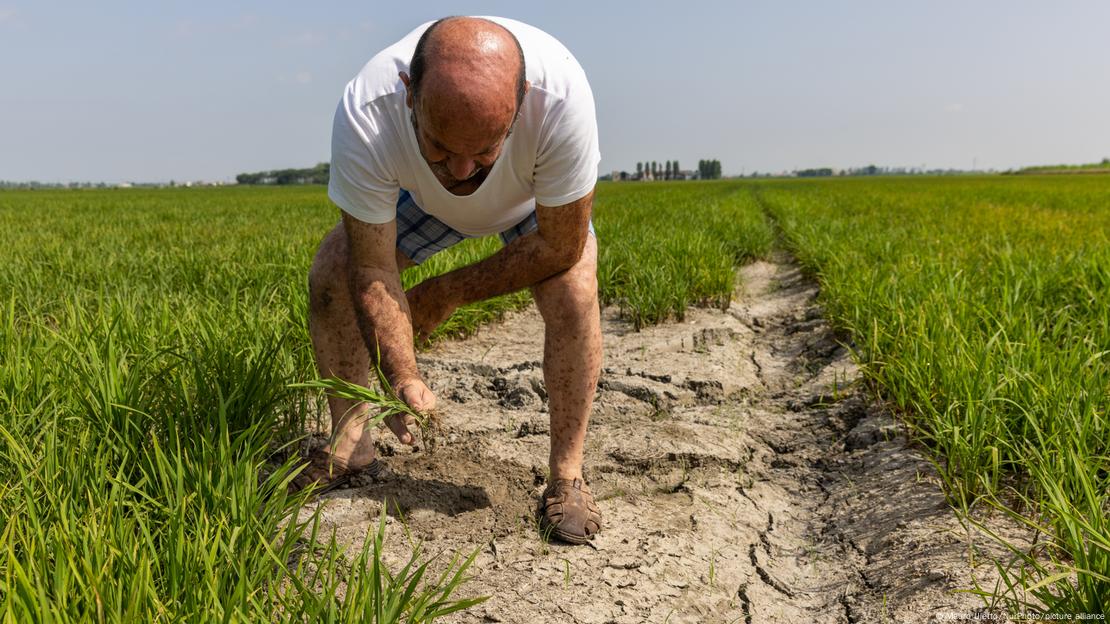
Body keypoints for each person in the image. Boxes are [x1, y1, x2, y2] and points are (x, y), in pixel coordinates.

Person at [301, 16, 603, 544]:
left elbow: (561, 245)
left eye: (486, 149)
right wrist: (403, 375)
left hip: (529, 202)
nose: (463, 171)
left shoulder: (561, 98)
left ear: (521, 99)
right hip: (423, 202)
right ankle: (351, 442)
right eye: (440, 146)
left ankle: (567, 475)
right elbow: (370, 266)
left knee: (574, 292)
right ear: (409, 95)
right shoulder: (367, 112)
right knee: (332, 271)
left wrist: (447, 291)